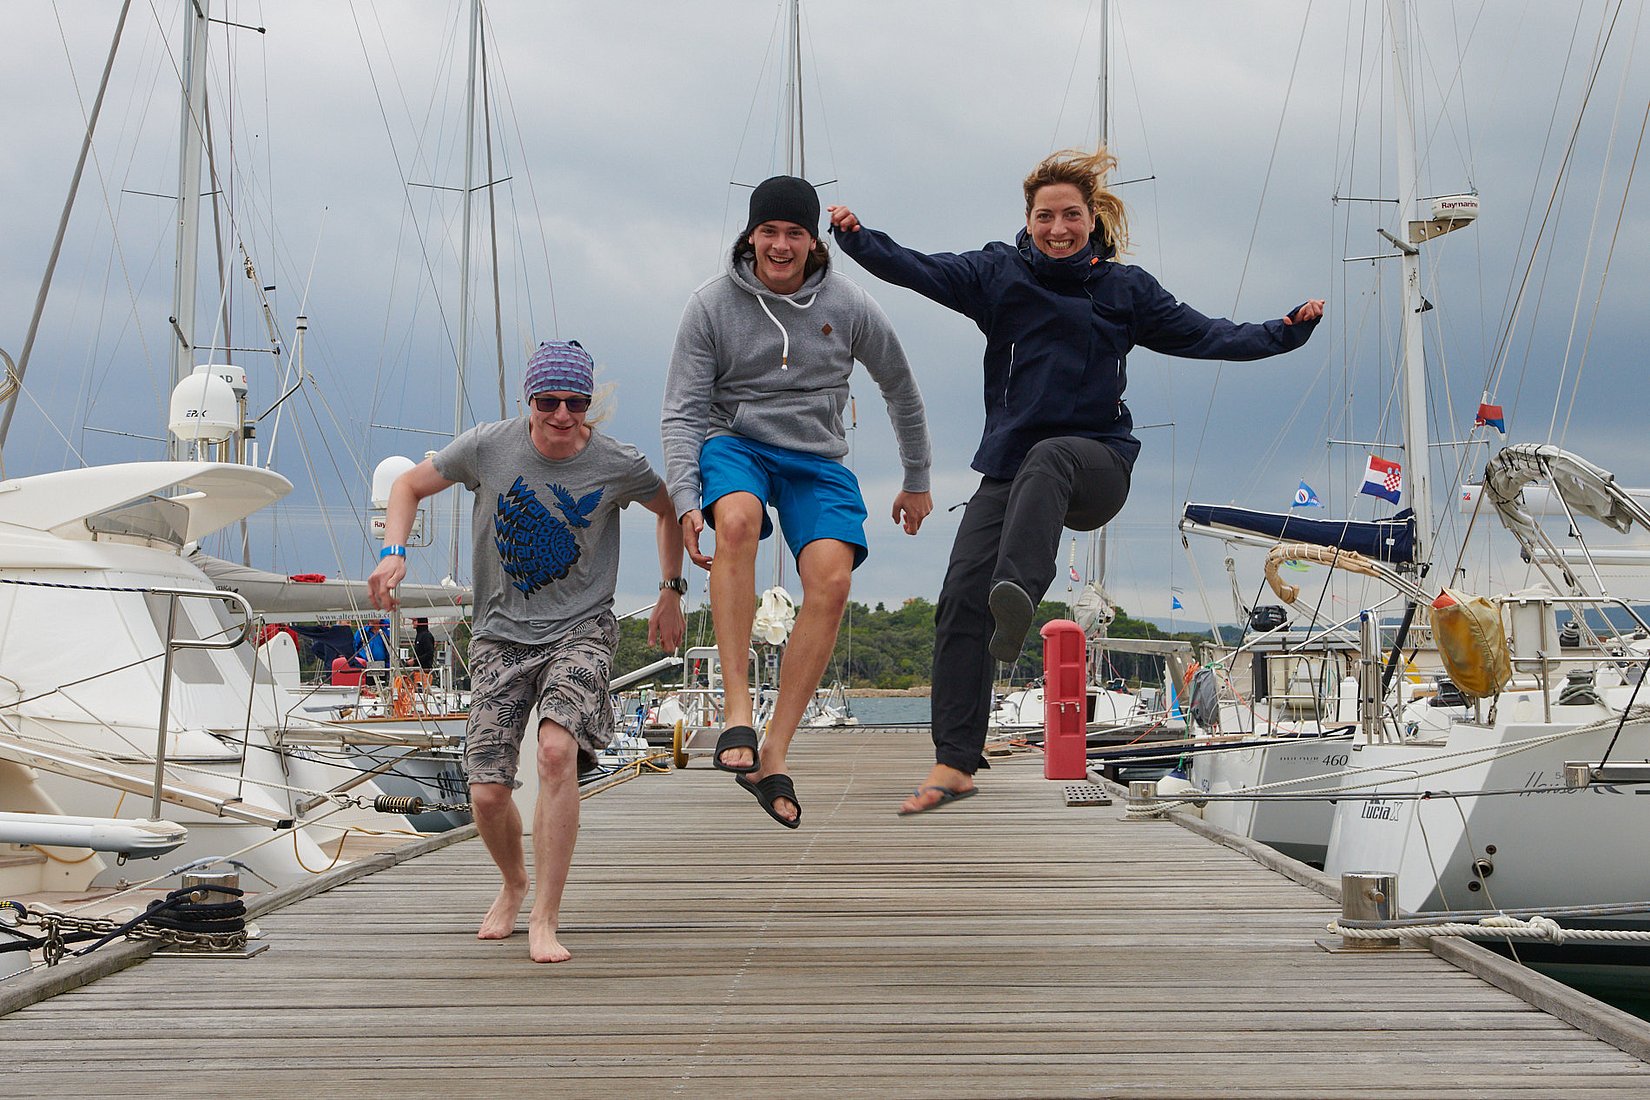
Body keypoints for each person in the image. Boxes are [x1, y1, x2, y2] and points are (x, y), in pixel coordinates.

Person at [828, 146, 1324, 816]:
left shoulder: (1125, 291)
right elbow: (919, 269)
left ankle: (1018, 593)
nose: (1057, 228)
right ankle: (955, 760)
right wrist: (857, 238)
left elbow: (1209, 335)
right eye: (1045, 216)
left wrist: (1284, 332)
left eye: (1070, 215)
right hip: (1010, 471)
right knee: (960, 597)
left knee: (1052, 456)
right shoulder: (997, 275)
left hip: (1096, 468)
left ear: (1093, 219)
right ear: (1028, 220)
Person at [368, 339, 685, 963]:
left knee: (556, 752)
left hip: (581, 629)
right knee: (487, 793)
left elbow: (669, 507)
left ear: (589, 405)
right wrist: (394, 551)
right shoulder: (488, 447)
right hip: (499, 634)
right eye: (549, 401)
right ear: (529, 400)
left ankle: (546, 915)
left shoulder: (617, 462)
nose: (562, 415)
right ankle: (514, 884)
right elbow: (407, 485)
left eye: (575, 403)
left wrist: (670, 590)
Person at [662, 175, 933, 829]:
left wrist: (917, 478)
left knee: (832, 580)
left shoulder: (850, 304)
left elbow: (900, 388)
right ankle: (737, 712)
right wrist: (686, 498)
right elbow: (683, 411)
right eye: (769, 232)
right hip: (737, 443)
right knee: (737, 522)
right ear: (751, 235)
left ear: (813, 241)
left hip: (816, 456)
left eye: (794, 233)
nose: (780, 245)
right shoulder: (710, 305)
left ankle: (774, 751)